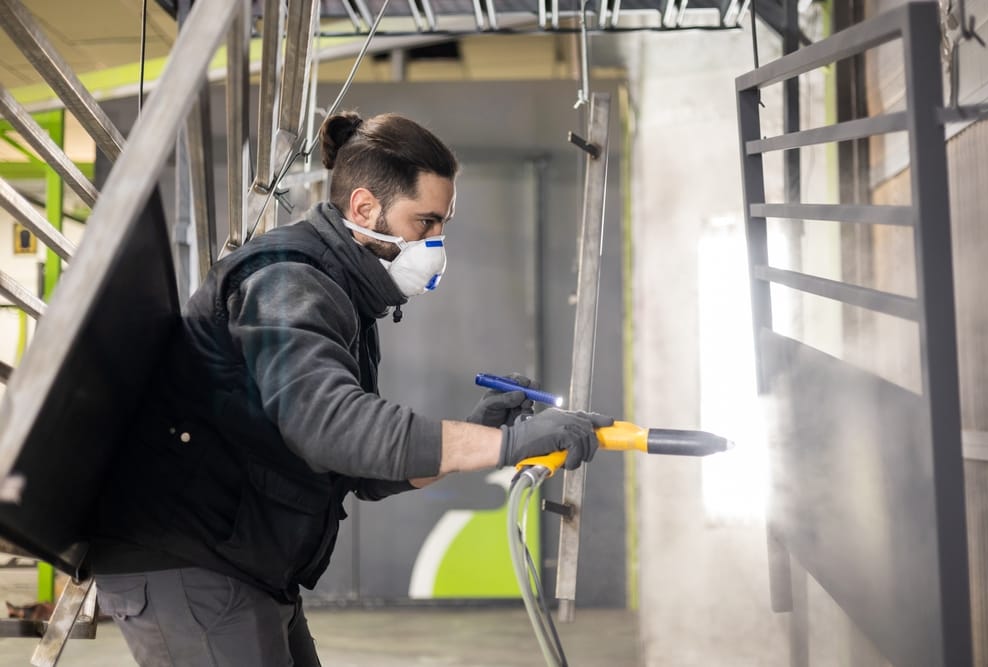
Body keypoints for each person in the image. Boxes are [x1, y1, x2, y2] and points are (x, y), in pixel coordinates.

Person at [87, 111, 612, 667]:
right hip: (189, 559)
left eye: (443, 225)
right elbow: (333, 428)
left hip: (244, 558)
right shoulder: (287, 279)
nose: (436, 243)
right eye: (425, 223)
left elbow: (360, 471)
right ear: (364, 209)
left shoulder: (344, 295)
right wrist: (512, 446)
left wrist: (480, 434)